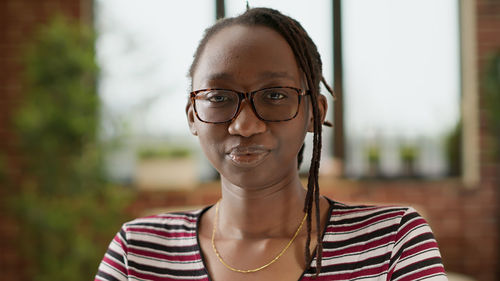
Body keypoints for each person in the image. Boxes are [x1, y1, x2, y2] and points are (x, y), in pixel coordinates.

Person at [95, 7, 447, 281]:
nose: (245, 124)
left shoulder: (392, 243)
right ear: (191, 115)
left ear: (314, 113)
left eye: (275, 95)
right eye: (219, 97)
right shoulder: (138, 252)